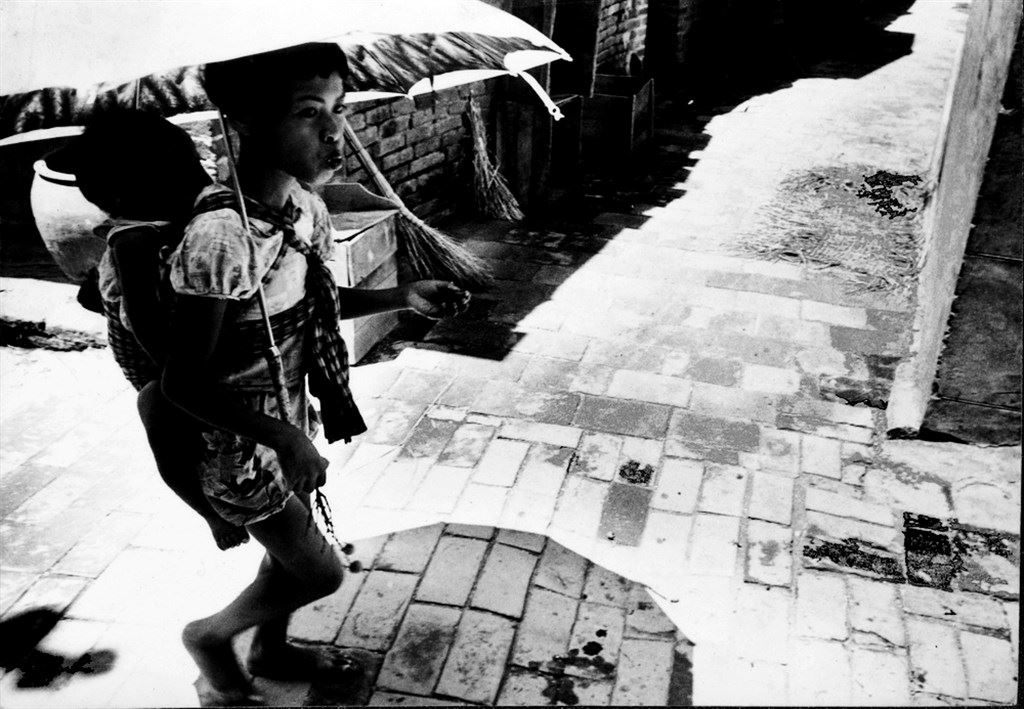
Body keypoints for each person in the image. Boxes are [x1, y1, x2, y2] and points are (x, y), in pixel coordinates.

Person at [161, 43, 470, 705]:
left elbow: (316, 305)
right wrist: (283, 437)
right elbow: (181, 383)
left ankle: (269, 648)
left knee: (286, 556)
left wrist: (401, 296)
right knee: (320, 572)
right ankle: (210, 638)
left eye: (338, 108)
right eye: (309, 113)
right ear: (244, 121)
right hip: (238, 444)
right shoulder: (222, 237)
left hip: (289, 421)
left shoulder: (305, 207)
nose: (335, 132)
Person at [57, 110, 251, 550]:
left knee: (192, 425)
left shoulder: (179, 221)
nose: (103, 206)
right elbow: (144, 319)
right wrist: (177, 373)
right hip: (153, 359)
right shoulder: (135, 237)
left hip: (170, 348)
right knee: (161, 417)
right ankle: (209, 514)